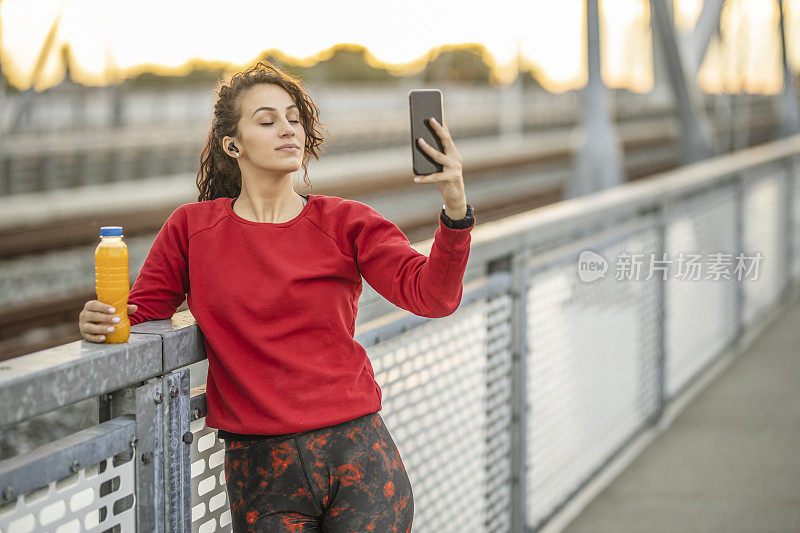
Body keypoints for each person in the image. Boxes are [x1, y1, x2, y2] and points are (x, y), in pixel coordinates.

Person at [78, 60, 475, 532]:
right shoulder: (191, 229)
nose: (288, 130)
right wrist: (100, 321)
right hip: (261, 472)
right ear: (233, 145)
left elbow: (432, 297)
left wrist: (454, 209)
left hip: (358, 456)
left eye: (293, 118)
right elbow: (141, 316)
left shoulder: (346, 221)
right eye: (267, 121)